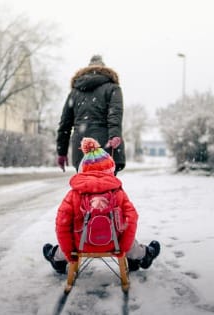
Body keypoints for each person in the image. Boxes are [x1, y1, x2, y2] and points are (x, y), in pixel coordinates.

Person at [43, 137, 160, 274]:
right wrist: (123, 248)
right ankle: (143, 255)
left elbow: (62, 224)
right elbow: (131, 218)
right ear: (111, 169)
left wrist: (69, 253)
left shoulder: (74, 194)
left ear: (83, 170)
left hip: (81, 245)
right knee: (129, 240)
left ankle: (56, 258)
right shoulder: (118, 193)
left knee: (67, 241)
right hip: (113, 244)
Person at [56, 55, 126, 175]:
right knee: (107, 188)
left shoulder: (75, 92)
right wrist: (114, 137)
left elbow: (65, 125)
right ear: (104, 69)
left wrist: (62, 152)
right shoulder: (113, 88)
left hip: (81, 147)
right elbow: (115, 116)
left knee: (84, 187)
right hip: (105, 146)